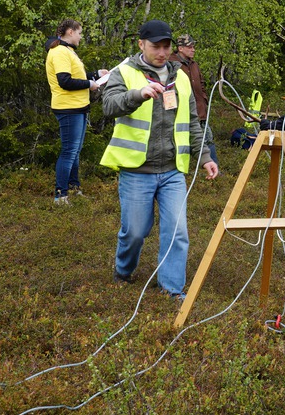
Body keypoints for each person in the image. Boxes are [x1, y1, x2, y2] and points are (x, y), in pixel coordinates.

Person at [100, 19, 218, 299]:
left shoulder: (182, 78)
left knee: (177, 232)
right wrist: (137, 94)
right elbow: (108, 105)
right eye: (156, 47)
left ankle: (171, 288)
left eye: (166, 47)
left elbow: (191, 122)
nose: (162, 53)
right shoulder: (124, 71)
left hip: (173, 171)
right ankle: (123, 270)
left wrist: (205, 156)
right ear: (141, 44)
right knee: (136, 232)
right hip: (136, 170)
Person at [45, 18, 108, 205]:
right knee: (69, 152)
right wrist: (90, 84)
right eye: (79, 33)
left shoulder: (68, 51)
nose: (81, 37)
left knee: (75, 151)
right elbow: (64, 81)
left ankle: (73, 189)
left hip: (78, 107)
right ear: (70, 32)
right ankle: (60, 195)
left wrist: (96, 74)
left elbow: (77, 77)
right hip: (68, 107)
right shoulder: (59, 52)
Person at [168, 34, 218, 166]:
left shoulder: (194, 65)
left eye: (193, 47)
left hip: (200, 111)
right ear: (180, 48)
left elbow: (201, 84)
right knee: (182, 141)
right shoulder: (171, 64)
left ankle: (213, 167)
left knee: (207, 139)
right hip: (181, 113)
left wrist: (204, 100)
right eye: (190, 47)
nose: (193, 49)